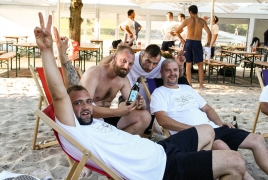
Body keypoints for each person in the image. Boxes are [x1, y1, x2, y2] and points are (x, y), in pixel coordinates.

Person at [35, 12, 247, 180]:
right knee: (235, 162)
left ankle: (201, 166)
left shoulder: (90, 119)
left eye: (88, 101)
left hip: (160, 149)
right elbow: (62, 95)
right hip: (160, 169)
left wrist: (63, 57)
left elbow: (74, 90)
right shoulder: (73, 127)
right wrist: (47, 51)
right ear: (67, 111)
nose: (86, 105)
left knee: (207, 130)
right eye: (78, 104)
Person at [150, 58, 268, 179]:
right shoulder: (159, 93)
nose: (172, 73)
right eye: (168, 70)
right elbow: (162, 120)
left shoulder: (187, 89)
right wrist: (194, 130)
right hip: (193, 136)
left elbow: (207, 108)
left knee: (257, 139)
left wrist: (219, 122)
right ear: (161, 73)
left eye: (175, 70)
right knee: (221, 146)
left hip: (214, 127)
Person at [99, 44, 187, 135]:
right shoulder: (132, 59)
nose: (150, 67)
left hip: (149, 97)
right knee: (124, 107)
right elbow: (102, 66)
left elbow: (177, 77)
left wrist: (180, 66)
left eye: (155, 63)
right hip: (129, 95)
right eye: (148, 61)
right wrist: (117, 53)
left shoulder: (162, 63)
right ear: (142, 55)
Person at [175, 5, 211, 89]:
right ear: (197, 11)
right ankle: (201, 85)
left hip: (189, 42)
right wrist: (208, 43)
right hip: (197, 43)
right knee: (200, 65)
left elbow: (177, 31)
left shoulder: (187, 21)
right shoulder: (202, 21)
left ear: (190, 12)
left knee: (188, 64)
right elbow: (209, 33)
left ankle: (189, 84)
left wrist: (181, 39)